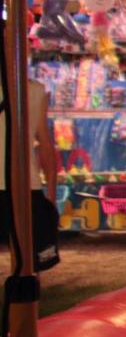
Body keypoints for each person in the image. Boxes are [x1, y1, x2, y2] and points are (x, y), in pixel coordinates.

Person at [0, 75, 62, 271]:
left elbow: (44, 144)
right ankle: (26, 296)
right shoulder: (34, 90)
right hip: (27, 183)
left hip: (25, 183)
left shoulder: (34, 90)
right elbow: (45, 143)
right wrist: (50, 196)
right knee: (28, 262)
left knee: (29, 257)